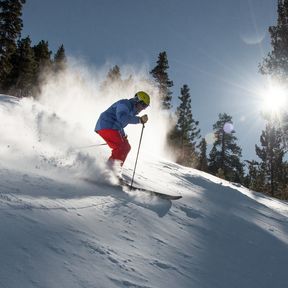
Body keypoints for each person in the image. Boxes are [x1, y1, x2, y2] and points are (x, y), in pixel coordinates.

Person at [95, 91, 150, 169]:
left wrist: (123, 135)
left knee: (126, 147)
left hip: (111, 127)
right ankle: (109, 171)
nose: (143, 108)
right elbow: (121, 118)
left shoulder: (131, 111)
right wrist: (139, 120)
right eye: (143, 105)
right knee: (121, 147)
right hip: (106, 124)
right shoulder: (125, 104)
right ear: (137, 100)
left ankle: (113, 171)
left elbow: (119, 125)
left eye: (146, 106)